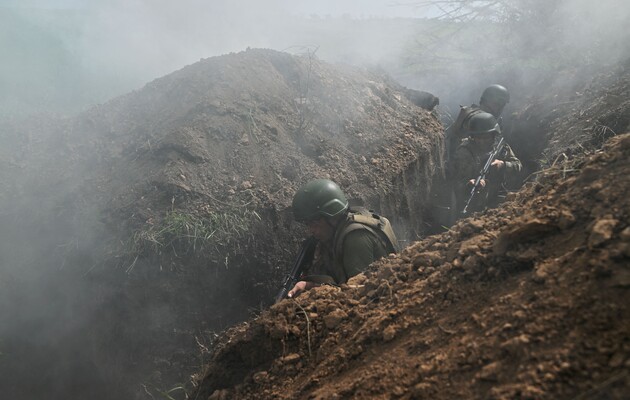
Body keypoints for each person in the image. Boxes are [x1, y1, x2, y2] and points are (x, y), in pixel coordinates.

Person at [287, 179, 399, 298]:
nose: (311, 230)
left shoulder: (356, 238)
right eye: (307, 224)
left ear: (331, 216)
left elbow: (359, 294)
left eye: (314, 223)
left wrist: (310, 286)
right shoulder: (337, 230)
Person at [451, 112, 522, 214]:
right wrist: (469, 184)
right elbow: (456, 180)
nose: (482, 141)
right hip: (472, 202)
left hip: (496, 198)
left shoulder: (500, 146)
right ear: (472, 136)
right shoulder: (464, 152)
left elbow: (518, 165)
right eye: (478, 138)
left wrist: (503, 164)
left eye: (486, 138)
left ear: (493, 135)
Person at [445, 84, 510, 160]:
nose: (499, 108)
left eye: (502, 105)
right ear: (485, 102)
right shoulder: (476, 118)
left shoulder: (475, 115)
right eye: (496, 104)